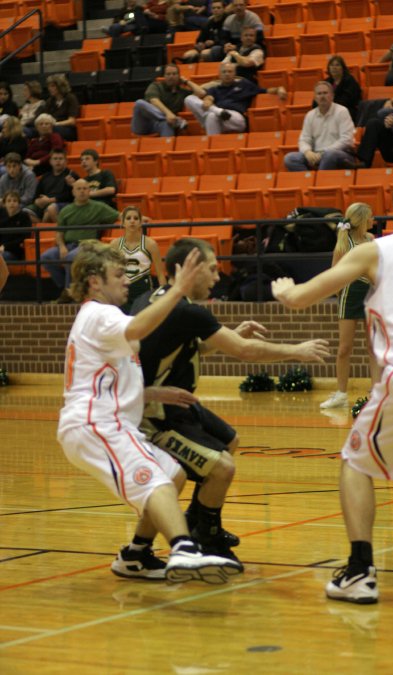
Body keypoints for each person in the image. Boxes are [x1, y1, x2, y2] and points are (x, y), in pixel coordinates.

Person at [272, 176, 393, 604]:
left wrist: (285, 291)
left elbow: (304, 297)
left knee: (355, 461)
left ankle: (359, 571)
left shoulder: (377, 249)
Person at [130, 237, 330, 565]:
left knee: (229, 440)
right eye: (211, 269)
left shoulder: (156, 299)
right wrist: (297, 350)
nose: (218, 277)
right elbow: (244, 351)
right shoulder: (184, 310)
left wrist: (234, 332)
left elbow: (187, 345)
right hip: (151, 413)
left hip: (175, 404)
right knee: (222, 469)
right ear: (186, 271)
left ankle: (198, 519)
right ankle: (206, 539)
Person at [57, 240, 242, 584]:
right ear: (95, 282)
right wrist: (179, 290)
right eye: (118, 274)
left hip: (103, 421)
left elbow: (105, 378)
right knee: (157, 481)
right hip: (98, 425)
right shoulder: (101, 314)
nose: (127, 280)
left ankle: (137, 554)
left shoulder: (99, 318)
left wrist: (153, 393)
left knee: (172, 474)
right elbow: (139, 328)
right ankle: (184, 548)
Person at [320, 203, 380, 410]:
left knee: (373, 347)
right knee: (344, 348)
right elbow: (333, 275)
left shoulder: (372, 241)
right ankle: (341, 394)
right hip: (350, 296)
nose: (374, 221)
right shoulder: (343, 245)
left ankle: (376, 392)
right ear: (363, 220)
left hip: (370, 296)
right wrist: (342, 293)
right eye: (371, 217)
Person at [41, 179, 119, 300]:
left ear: (89, 191)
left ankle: (69, 293)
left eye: (85, 188)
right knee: (46, 257)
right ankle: (67, 290)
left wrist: (138, 217)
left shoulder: (99, 207)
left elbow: (119, 215)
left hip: (87, 245)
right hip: (67, 244)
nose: (82, 191)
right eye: (79, 189)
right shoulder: (66, 211)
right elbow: (59, 233)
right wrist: (62, 247)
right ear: (73, 192)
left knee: (71, 257)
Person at [185, 62, 286, 135]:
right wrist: (208, 101)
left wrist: (278, 89)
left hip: (236, 118)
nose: (227, 74)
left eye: (230, 71)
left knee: (211, 115)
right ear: (219, 75)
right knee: (190, 99)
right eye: (224, 72)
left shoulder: (244, 84)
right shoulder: (215, 89)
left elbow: (265, 91)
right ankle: (214, 147)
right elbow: (209, 98)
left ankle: (215, 112)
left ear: (234, 74)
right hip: (220, 117)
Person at [284, 81, 355, 172]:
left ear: (332, 96)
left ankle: (319, 182)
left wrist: (324, 152)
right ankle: (309, 182)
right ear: (315, 98)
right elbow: (304, 139)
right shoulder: (310, 115)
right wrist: (307, 152)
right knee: (290, 158)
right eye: (319, 94)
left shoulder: (342, 111)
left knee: (329, 155)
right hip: (316, 154)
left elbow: (346, 139)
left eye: (325, 93)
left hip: (341, 154)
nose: (322, 96)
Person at [110, 206, 166, 313]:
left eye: (136, 218)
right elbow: (111, 272)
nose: (132, 221)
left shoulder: (150, 244)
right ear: (122, 222)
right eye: (128, 218)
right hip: (122, 287)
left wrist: (163, 296)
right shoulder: (115, 244)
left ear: (140, 222)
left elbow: (160, 274)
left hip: (143, 287)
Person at [131, 64, 206, 137]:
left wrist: (186, 81)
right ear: (164, 76)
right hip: (145, 123)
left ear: (179, 76)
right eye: (168, 74)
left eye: (174, 74)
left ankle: (166, 147)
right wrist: (168, 114)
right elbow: (154, 100)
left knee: (167, 123)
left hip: (165, 123)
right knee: (139, 103)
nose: (171, 76)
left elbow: (202, 93)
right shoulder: (156, 86)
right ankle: (177, 121)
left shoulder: (182, 92)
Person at [24, 149, 79, 223]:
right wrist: (37, 201)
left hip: (62, 204)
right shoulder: (45, 176)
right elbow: (36, 195)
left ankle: (43, 231)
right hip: (44, 204)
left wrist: (50, 200)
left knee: (49, 210)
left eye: (60, 159)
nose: (58, 161)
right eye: (55, 159)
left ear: (66, 161)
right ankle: (41, 225)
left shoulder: (71, 175)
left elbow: (69, 197)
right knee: (23, 212)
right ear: (50, 161)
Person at [321, 55, 362, 123]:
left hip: (347, 111)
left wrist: (331, 107)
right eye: (332, 65)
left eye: (337, 65)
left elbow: (347, 100)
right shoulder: (326, 82)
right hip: (329, 110)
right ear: (328, 68)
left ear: (343, 68)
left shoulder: (349, 80)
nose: (334, 68)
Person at [43, 74, 80, 142]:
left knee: (52, 129)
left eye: (53, 86)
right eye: (49, 86)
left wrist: (55, 124)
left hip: (68, 128)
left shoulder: (70, 98)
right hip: (52, 126)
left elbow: (71, 121)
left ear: (60, 86)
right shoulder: (50, 101)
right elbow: (46, 117)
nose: (50, 88)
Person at [0, 190, 31, 261]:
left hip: (14, 251)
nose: (12, 203)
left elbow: (24, 237)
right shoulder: (1, 214)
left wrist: (5, 246)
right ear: (4, 204)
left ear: (18, 203)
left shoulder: (24, 216)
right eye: (9, 201)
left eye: (14, 201)